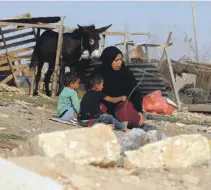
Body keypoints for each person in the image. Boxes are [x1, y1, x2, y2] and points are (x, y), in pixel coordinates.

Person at [91, 46, 149, 130]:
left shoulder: (126, 73)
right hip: (103, 105)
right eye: (116, 60)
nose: (120, 63)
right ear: (108, 61)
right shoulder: (98, 73)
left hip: (120, 106)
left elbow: (135, 93)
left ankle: (120, 122)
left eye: (121, 59)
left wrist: (139, 111)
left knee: (126, 113)